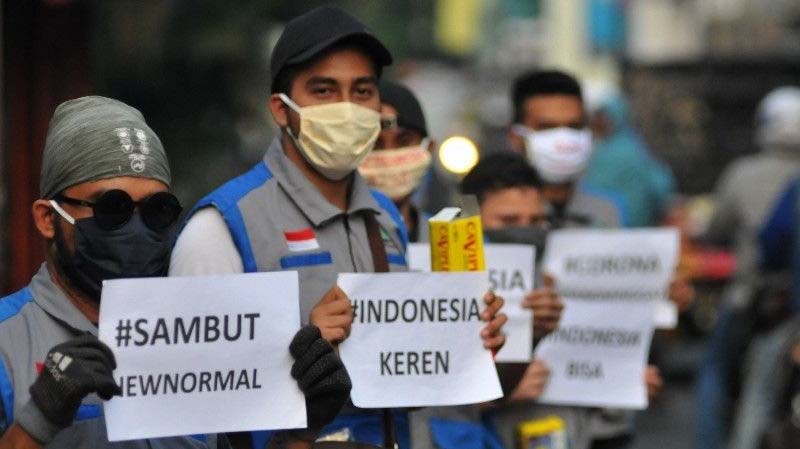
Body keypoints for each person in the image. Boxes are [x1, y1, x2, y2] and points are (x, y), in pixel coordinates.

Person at [169, 6, 507, 449]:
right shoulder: (220, 229)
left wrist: (465, 342)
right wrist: (303, 356)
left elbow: (405, 374)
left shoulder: (385, 217)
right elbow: (194, 406)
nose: (347, 108)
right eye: (324, 90)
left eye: (362, 90)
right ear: (281, 109)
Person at [0, 96, 350, 449]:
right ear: (48, 218)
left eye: (157, 209)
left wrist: (301, 431)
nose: (136, 228)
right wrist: (39, 418)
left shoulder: (204, 336)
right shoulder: (6, 343)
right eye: (112, 208)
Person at [696, 86, 800, 449]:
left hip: (757, 300)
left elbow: (726, 232)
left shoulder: (743, 173)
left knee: (719, 376)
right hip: (781, 304)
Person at [506, 70, 623, 229]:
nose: (564, 140)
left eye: (574, 126)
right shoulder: (492, 211)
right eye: (547, 127)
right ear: (516, 137)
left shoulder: (606, 211)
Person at [583, 94, 675, 227]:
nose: (597, 122)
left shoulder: (611, 152)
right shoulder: (634, 146)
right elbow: (662, 185)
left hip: (617, 227)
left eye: (602, 117)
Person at [358, 80, 433, 243]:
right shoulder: (336, 238)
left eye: (404, 141)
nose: (388, 156)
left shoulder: (451, 241)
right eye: (375, 144)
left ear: (429, 148)